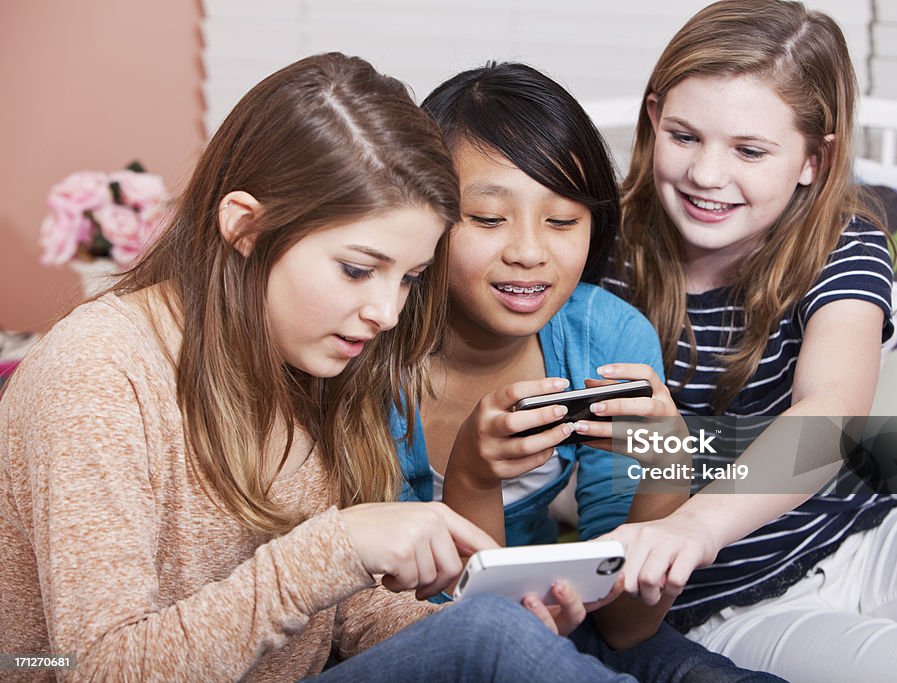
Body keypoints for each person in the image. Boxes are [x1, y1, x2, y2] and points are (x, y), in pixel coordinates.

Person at [0, 52, 640, 683]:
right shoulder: (99, 371)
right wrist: (337, 548)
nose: (387, 313)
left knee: (505, 634)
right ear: (246, 227)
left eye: (411, 278)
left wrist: (470, 627)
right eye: (358, 270)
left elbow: (340, 616)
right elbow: (97, 671)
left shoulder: (311, 356)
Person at [600, 2, 897, 681]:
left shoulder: (841, 246)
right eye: (684, 136)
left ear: (813, 159)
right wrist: (682, 529)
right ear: (652, 121)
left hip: (869, 539)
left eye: (749, 150)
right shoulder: (600, 257)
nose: (708, 174)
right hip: (731, 607)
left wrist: (694, 523)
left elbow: (829, 417)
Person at [394, 61, 785, 682]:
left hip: (556, 613)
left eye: (562, 221)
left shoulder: (605, 336)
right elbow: (454, 622)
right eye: (488, 219)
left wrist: (668, 459)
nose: (529, 251)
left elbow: (626, 625)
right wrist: (472, 472)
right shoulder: (365, 338)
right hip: (409, 631)